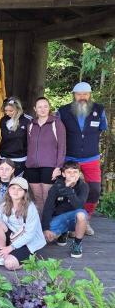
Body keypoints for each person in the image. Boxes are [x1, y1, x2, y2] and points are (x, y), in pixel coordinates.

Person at [57, 82, 108, 233]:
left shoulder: (99, 110)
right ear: (74, 95)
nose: (82, 97)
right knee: (68, 190)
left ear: (90, 94)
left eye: (85, 94)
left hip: (91, 158)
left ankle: (86, 220)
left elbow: (102, 128)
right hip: (70, 158)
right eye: (79, 94)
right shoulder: (63, 111)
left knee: (94, 190)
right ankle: (69, 222)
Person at [0, 176, 46, 270]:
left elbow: (29, 235)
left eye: (20, 189)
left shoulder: (30, 208)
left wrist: (11, 247)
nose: (15, 191)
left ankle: (29, 258)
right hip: (12, 237)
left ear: (25, 192)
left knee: (9, 264)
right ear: (9, 190)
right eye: (13, 188)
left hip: (27, 242)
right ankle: (3, 254)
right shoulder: (4, 205)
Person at [25, 97, 66, 215]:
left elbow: (62, 147)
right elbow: (29, 145)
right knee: (37, 198)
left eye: (45, 106)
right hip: (32, 166)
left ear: (49, 108)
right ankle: (40, 223)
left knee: (47, 197)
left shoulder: (56, 123)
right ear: (35, 109)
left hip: (50, 166)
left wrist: (58, 167)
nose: (42, 109)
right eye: (39, 107)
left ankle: (48, 223)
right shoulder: (31, 125)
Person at [41, 161, 89, 259]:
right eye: (69, 172)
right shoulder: (56, 187)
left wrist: (68, 189)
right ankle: (63, 233)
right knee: (46, 238)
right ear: (63, 174)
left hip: (74, 218)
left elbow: (78, 205)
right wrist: (45, 228)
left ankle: (77, 244)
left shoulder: (83, 186)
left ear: (79, 173)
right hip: (60, 217)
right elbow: (48, 208)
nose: (72, 175)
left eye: (75, 172)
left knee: (81, 215)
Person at [0, 97, 31, 177]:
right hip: (3, 157)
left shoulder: (27, 120)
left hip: (19, 159)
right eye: (6, 111)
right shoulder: (3, 120)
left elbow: (32, 142)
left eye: (11, 111)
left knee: (15, 183)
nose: (7, 113)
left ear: (18, 109)